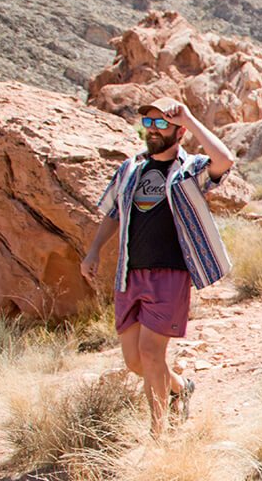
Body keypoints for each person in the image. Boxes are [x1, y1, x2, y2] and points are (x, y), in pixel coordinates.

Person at [80, 97, 234, 437]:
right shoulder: (130, 169)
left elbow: (224, 160)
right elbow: (112, 214)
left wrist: (191, 120)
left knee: (151, 352)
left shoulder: (189, 168)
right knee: (135, 362)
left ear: (178, 131)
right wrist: (93, 251)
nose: (151, 130)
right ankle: (180, 387)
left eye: (160, 123)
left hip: (170, 273)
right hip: (129, 273)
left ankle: (158, 434)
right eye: (147, 123)